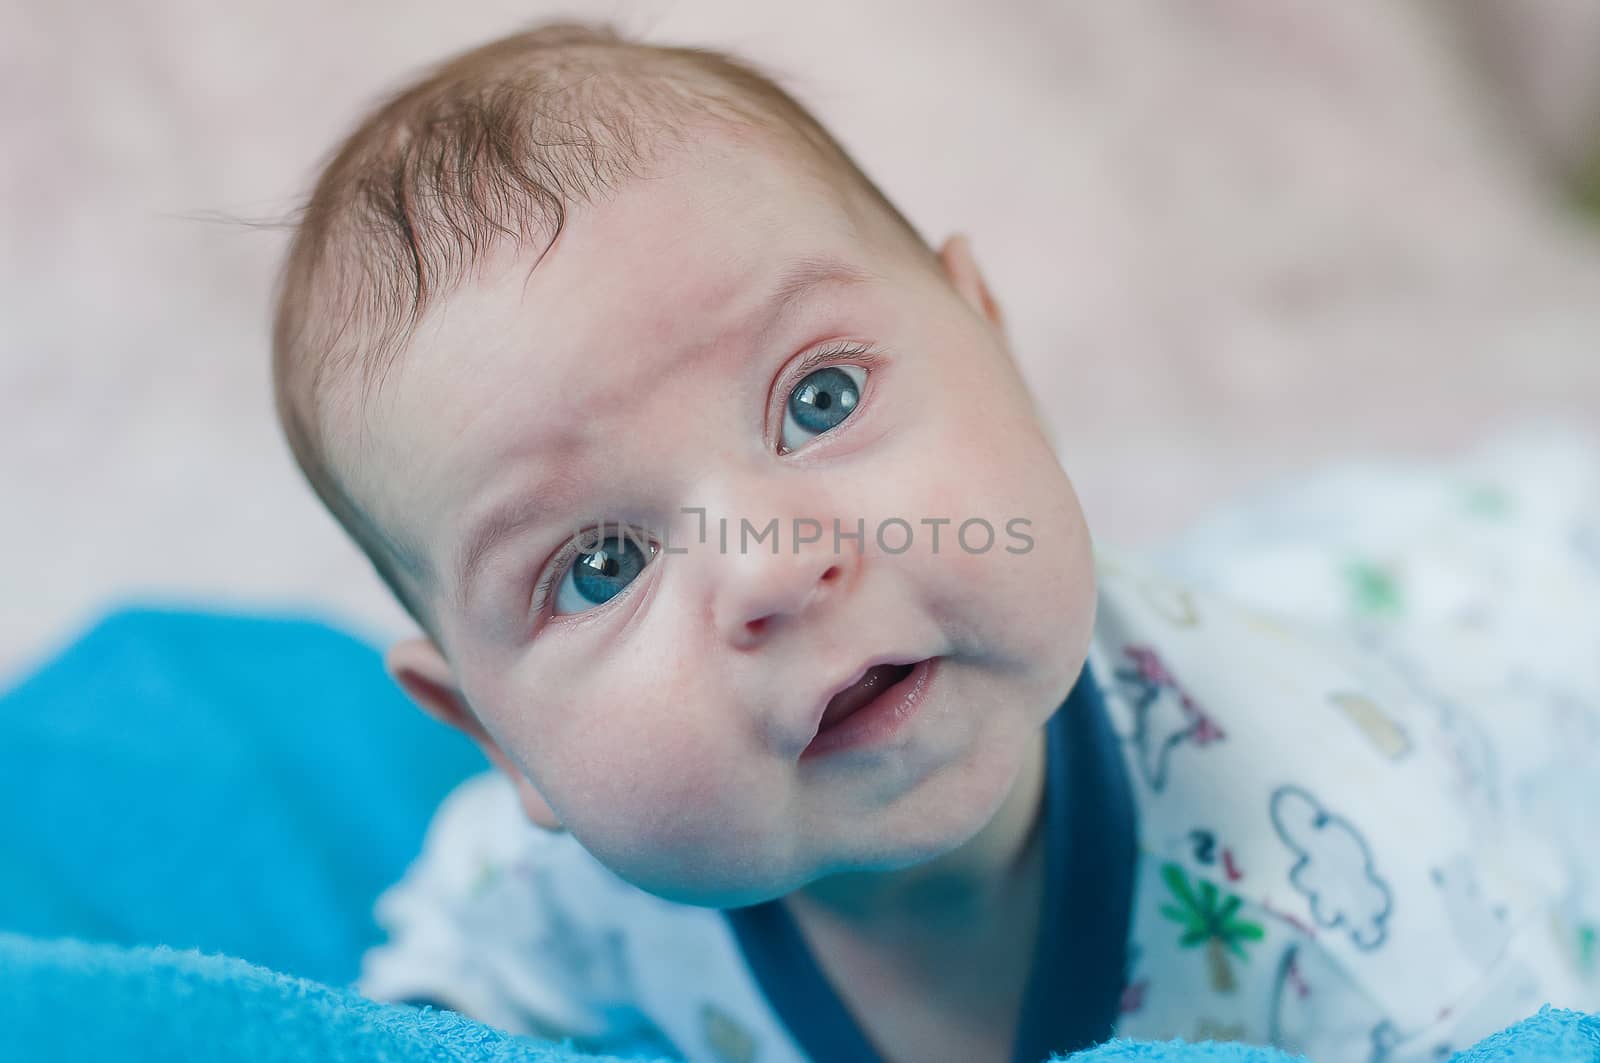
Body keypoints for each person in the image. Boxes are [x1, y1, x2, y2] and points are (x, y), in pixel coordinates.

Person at [269, 20, 1599, 1062]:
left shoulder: (1354, 884)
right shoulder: (562, 893)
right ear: (502, 743)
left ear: (995, 343)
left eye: (821, 400)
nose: (776, 564)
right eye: (599, 565)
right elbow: (442, 989)